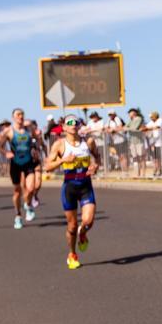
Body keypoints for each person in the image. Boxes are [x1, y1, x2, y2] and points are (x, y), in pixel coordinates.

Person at [43, 115, 101, 270]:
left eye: (76, 122)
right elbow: (47, 167)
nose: (74, 125)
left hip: (85, 186)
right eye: (70, 122)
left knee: (88, 221)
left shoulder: (88, 142)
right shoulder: (59, 145)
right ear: (64, 127)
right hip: (69, 188)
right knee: (72, 225)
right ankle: (72, 254)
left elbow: (97, 157)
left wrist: (95, 166)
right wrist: (63, 160)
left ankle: (83, 232)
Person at [0, 108, 40, 229]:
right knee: (17, 191)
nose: (20, 117)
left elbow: (36, 141)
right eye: (18, 115)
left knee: (31, 187)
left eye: (22, 114)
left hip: (28, 162)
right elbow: (0, 147)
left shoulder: (29, 130)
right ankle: (18, 215)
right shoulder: (9, 132)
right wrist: (6, 152)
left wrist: (35, 149)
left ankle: (28, 205)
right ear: (13, 117)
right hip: (15, 163)